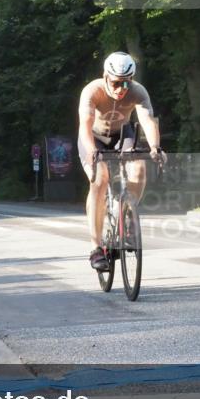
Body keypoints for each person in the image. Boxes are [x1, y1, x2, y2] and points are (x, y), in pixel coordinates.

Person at [78, 52, 165, 271]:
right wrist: (92, 152)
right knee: (100, 180)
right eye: (116, 83)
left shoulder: (138, 91)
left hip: (121, 135)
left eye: (126, 82)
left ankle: (126, 215)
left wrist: (155, 147)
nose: (121, 89)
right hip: (94, 137)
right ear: (106, 76)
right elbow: (85, 125)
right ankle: (95, 248)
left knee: (139, 170)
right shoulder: (92, 90)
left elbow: (147, 120)